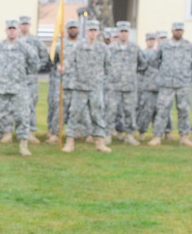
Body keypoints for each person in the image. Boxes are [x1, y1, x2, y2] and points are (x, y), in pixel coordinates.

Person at [0, 19, 39, 156]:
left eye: (14, 29)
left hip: (19, 88)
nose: (12, 31)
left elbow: (34, 63)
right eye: (9, 29)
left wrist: (24, 77)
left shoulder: (25, 47)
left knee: (22, 117)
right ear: (5, 30)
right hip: (0, 88)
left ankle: (23, 146)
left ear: (18, 30)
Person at [146, 21, 192, 147]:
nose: (178, 32)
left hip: (183, 84)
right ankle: (157, 136)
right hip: (166, 83)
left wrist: (188, 72)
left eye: (180, 30)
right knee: (162, 110)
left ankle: (184, 136)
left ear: (183, 31)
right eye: (176, 30)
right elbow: (154, 60)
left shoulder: (189, 46)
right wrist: (163, 71)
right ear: (172, 31)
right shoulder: (163, 45)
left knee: (184, 110)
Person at [60, 20, 111, 153]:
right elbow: (69, 61)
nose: (92, 33)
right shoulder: (78, 46)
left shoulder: (103, 48)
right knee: (74, 113)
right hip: (80, 87)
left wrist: (102, 81)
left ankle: (100, 142)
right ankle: (69, 142)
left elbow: (108, 67)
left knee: (97, 114)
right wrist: (63, 67)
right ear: (86, 31)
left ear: (98, 32)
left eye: (95, 30)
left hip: (96, 87)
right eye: (90, 30)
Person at [104, 21, 140, 145]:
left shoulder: (134, 48)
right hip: (113, 85)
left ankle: (129, 135)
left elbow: (142, 64)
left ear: (128, 33)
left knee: (130, 111)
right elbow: (105, 64)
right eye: (121, 31)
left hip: (129, 86)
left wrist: (130, 74)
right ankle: (107, 134)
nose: (123, 34)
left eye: (125, 32)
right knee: (111, 110)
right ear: (117, 33)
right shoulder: (111, 48)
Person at [18, 15, 47, 143]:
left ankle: (30, 132)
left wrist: (35, 68)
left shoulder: (35, 41)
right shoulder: (14, 39)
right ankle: (9, 131)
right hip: (15, 79)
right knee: (12, 106)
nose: (24, 26)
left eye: (26, 24)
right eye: (22, 24)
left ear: (29, 26)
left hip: (30, 80)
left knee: (30, 106)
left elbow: (44, 56)